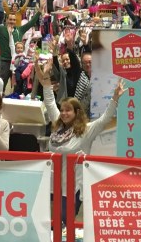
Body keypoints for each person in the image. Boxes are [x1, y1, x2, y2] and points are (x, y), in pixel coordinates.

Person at [36, 61, 124, 219]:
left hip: (72, 188)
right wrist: (46, 74)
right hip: (52, 185)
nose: (63, 113)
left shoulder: (86, 130)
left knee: (65, 222)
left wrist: (115, 98)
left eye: (68, 110)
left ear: (77, 112)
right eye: (62, 110)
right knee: (50, 223)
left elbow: (104, 119)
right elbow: (49, 101)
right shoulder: (58, 124)